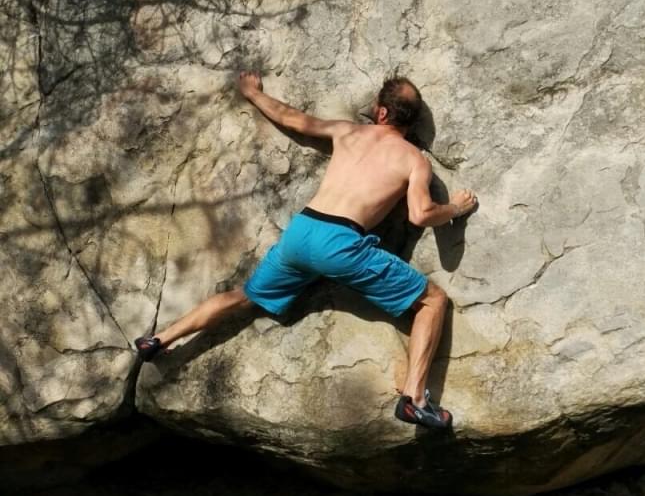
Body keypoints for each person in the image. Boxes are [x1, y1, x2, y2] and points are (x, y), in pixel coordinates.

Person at [134, 73, 477, 430]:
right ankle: (415, 400)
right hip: (342, 242)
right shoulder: (413, 160)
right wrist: (454, 208)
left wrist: (252, 94)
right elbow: (421, 214)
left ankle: (157, 340)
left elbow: (293, 119)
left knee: (244, 296)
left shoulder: (348, 132)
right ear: (411, 119)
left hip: (302, 231)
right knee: (432, 301)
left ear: (381, 111)